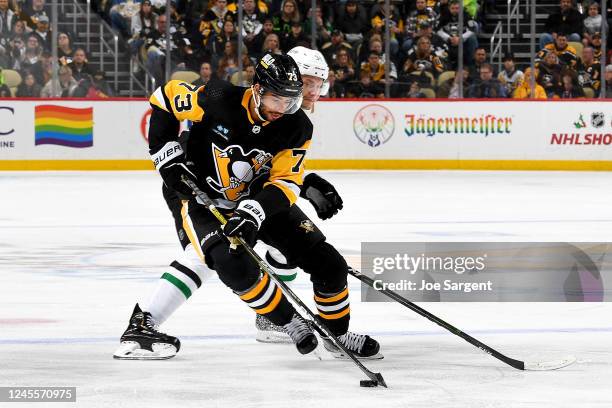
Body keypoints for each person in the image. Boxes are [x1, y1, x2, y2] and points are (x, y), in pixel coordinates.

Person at [114, 52, 379, 361]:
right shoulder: (218, 96)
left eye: (290, 101)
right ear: (257, 89)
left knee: (329, 263)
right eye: (276, 100)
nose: (282, 109)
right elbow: (165, 96)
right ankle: (287, 321)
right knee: (226, 260)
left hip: (252, 199)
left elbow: (283, 180)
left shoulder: (297, 126)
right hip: (198, 194)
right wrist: (166, 156)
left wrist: (259, 209)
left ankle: (337, 334)